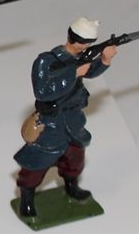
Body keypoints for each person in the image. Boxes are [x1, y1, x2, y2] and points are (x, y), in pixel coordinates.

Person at [13, 17, 117, 217]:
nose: (85, 47)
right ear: (72, 38)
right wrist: (74, 73)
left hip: (73, 118)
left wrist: (105, 60)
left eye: (88, 43)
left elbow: (89, 71)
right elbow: (42, 92)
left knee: (75, 157)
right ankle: (26, 197)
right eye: (82, 42)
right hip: (51, 122)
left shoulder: (80, 57)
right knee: (38, 162)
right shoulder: (45, 61)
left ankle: (71, 186)